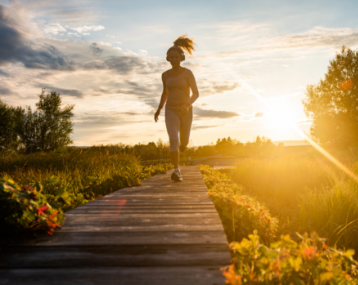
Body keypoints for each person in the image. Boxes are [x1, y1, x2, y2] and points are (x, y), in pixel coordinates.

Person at [154, 35, 199, 182]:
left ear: (181, 58)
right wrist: (159, 108)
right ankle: (177, 171)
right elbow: (165, 92)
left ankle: (184, 145)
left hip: (185, 110)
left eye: (176, 57)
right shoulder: (165, 75)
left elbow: (196, 94)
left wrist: (186, 105)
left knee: (184, 141)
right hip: (171, 110)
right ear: (168, 58)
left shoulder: (188, 73)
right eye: (171, 57)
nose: (173, 59)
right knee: (173, 138)